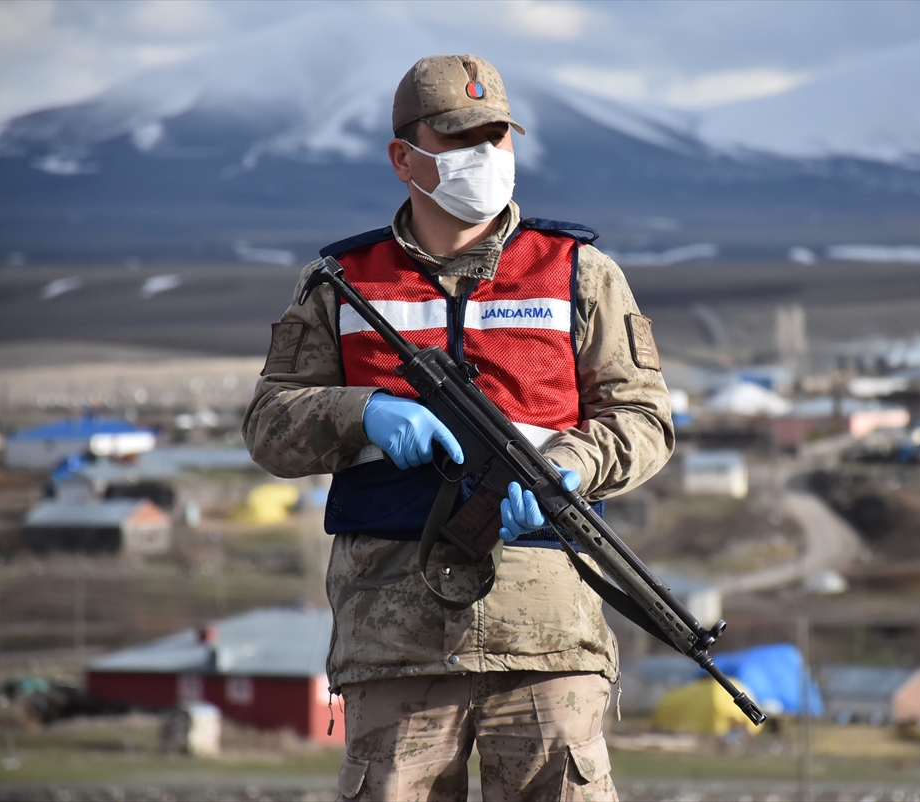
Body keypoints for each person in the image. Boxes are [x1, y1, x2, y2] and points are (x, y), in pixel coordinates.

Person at [242, 54, 673, 801]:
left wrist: (573, 464)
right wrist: (363, 410)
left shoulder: (577, 271)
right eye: (458, 139)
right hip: (394, 637)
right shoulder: (342, 283)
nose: (485, 158)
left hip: (546, 633)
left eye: (496, 138)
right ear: (404, 158)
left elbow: (644, 418)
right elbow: (269, 426)